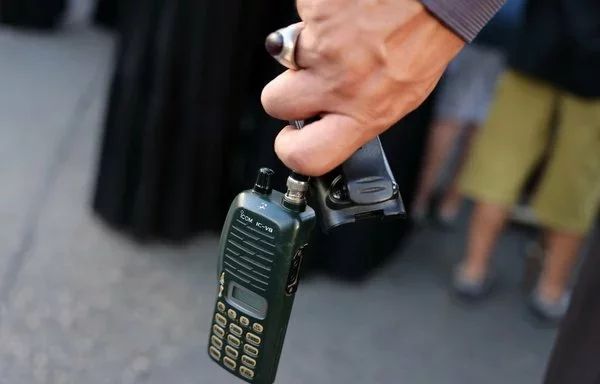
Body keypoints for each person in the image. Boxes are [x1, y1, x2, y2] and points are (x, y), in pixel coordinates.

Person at [261, 0, 600, 382]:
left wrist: (442, 11)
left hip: (533, 46)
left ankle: (474, 267)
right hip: (576, 69)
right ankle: (547, 288)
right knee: (573, 177)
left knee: (503, 155)